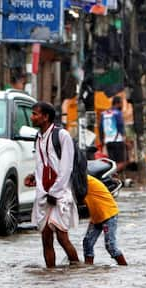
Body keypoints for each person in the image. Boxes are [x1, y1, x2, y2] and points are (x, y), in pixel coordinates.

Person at [24, 101, 80, 268]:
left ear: (45, 117)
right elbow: (43, 164)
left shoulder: (62, 135)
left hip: (60, 194)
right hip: (43, 193)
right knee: (46, 238)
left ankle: (77, 267)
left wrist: (55, 193)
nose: (32, 117)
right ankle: (50, 274)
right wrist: (34, 177)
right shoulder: (38, 137)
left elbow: (66, 167)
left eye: (35, 114)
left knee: (62, 238)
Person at [82, 175, 127, 266]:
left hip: (108, 214)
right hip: (97, 216)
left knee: (110, 246)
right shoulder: (81, 180)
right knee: (87, 243)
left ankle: (124, 267)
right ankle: (88, 269)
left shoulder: (84, 181)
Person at [99, 96, 127, 172]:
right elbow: (120, 125)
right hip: (118, 140)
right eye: (121, 103)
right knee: (122, 162)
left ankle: (114, 178)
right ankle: (113, 174)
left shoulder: (103, 113)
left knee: (112, 162)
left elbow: (100, 127)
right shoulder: (118, 113)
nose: (122, 105)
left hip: (108, 141)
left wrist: (101, 140)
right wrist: (124, 137)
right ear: (118, 103)